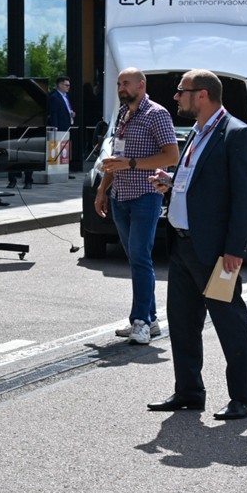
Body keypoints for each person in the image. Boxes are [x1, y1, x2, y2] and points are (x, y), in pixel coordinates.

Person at [147, 69, 247, 421]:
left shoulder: (237, 134)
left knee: (230, 323)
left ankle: (245, 398)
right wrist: (172, 181)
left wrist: (234, 250)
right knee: (181, 323)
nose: (176, 97)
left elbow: (245, 199)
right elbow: (198, 181)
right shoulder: (197, 131)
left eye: (181, 92)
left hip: (216, 252)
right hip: (182, 245)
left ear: (202, 95)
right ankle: (189, 392)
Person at [95, 67, 180, 345]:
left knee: (141, 257)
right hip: (120, 194)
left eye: (126, 83)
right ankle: (151, 318)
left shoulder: (157, 114)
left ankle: (140, 321)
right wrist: (102, 189)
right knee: (135, 258)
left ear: (141, 85)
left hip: (145, 195)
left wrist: (132, 164)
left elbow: (171, 156)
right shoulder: (122, 114)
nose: (121, 88)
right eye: (119, 83)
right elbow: (116, 156)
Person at [49, 76, 75, 178]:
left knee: (65, 148)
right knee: (58, 148)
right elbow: (54, 112)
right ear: (60, 85)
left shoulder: (65, 96)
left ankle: (65, 170)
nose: (68, 87)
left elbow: (66, 108)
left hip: (67, 124)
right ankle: (58, 170)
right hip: (60, 126)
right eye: (66, 85)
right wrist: (55, 126)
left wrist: (71, 113)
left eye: (69, 85)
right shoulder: (54, 97)